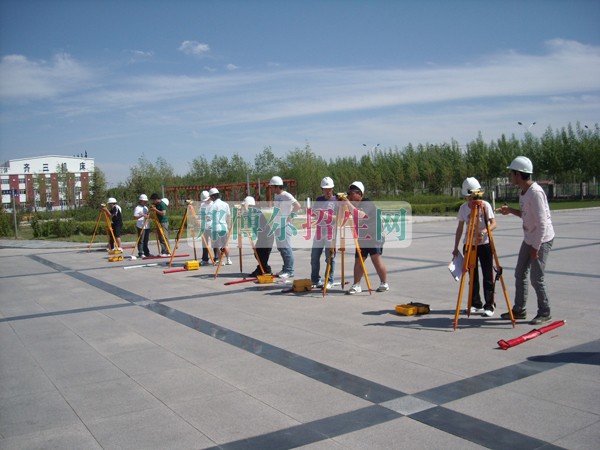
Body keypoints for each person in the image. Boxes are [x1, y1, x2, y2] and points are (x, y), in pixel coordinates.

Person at [497, 156, 555, 325]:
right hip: (530, 238)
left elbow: (542, 224)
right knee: (520, 273)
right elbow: (525, 214)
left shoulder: (535, 193)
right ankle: (519, 310)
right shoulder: (524, 192)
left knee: (537, 277)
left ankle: (545, 311)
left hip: (542, 240)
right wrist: (510, 211)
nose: (510, 176)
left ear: (518, 174)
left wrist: (536, 248)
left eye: (511, 173)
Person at [452, 177, 497, 317]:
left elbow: (494, 223)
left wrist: (484, 231)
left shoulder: (485, 206)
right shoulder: (463, 209)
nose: (469, 200)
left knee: (488, 274)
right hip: (469, 245)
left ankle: (489, 305)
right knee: (472, 275)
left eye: (471, 197)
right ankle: (475, 303)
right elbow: (459, 228)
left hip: (484, 244)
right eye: (467, 198)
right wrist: (455, 247)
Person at [339, 181, 389, 294]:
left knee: (375, 258)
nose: (350, 196)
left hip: (375, 234)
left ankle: (384, 283)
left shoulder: (367, 203)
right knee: (358, 260)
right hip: (362, 237)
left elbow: (360, 215)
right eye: (349, 193)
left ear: (360, 194)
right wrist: (342, 205)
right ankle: (356, 285)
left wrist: (347, 203)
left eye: (352, 193)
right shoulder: (353, 205)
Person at [269, 176, 301, 278]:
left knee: (286, 248)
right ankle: (285, 268)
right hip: (278, 225)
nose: (271, 189)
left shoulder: (286, 195)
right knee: (281, 248)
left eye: (272, 187)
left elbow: (297, 205)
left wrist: (290, 216)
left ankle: (290, 270)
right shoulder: (277, 196)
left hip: (285, 226)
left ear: (277, 186)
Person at [310, 177, 338, 289]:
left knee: (330, 258)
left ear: (332, 188)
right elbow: (313, 213)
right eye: (325, 189)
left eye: (329, 189)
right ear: (322, 189)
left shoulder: (337, 201)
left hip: (330, 233)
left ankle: (329, 280)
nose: (327, 191)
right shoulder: (319, 200)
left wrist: (327, 216)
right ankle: (315, 280)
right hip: (319, 232)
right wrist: (316, 214)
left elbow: (339, 218)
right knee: (314, 257)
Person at [241, 196, 274, 277]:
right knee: (257, 254)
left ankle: (262, 270)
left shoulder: (256, 212)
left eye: (244, 205)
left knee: (263, 255)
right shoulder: (251, 212)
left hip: (267, 237)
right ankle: (265, 268)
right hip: (262, 237)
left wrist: (245, 209)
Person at [209, 188, 232, 265]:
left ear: (212, 197)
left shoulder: (213, 205)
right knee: (225, 244)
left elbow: (209, 216)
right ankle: (228, 259)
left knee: (217, 245)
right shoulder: (225, 204)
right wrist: (229, 227)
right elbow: (229, 216)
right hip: (224, 227)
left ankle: (221, 261)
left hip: (216, 227)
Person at [133, 194, 152, 258]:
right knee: (141, 240)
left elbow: (148, 215)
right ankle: (141, 252)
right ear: (140, 201)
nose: (145, 202)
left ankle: (146, 252)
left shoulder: (146, 208)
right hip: (141, 226)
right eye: (144, 201)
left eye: (146, 201)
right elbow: (135, 217)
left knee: (146, 240)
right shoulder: (137, 208)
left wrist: (147, 216)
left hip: (146, 225)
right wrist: (142, 215)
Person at [198, 190, 213, 265]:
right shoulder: (202, 205)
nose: (206, 201)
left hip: (212, 226)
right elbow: (200, 214)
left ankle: (217, 258)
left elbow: (211, 215)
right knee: (204, 243)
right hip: (204, 226)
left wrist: (205, 216)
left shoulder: (213, 204)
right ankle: (205, 259)